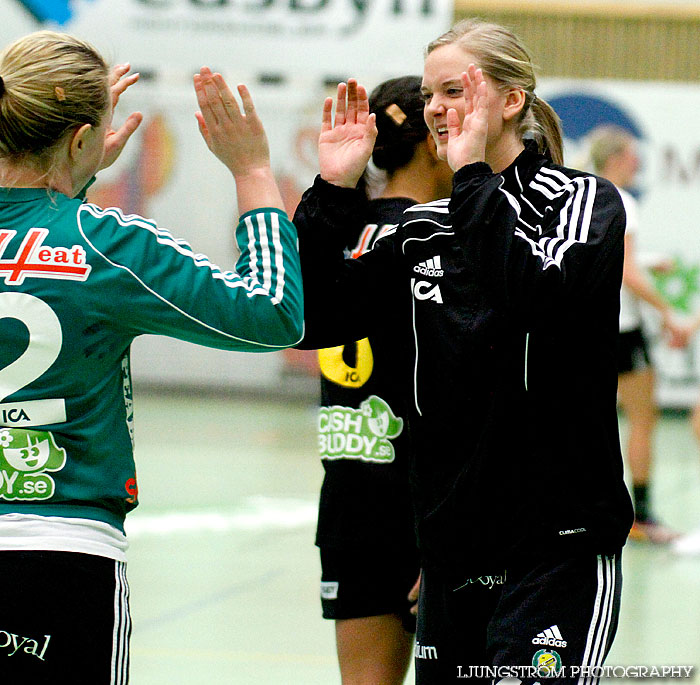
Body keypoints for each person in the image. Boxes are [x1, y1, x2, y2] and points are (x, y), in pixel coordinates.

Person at [280, 18, 634, 684]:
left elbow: (532, 288)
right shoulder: (421, 229)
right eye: (428, 96)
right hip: (454, 552)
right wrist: (331, 193)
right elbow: (303, 319)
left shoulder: (584, 202)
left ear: (511, 102)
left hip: (558, 549)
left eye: (454, 90)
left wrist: (471, 172)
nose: (436, 109)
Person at [0, 31, 302, 682]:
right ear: (82, 141)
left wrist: (65, 182)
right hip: (64, 556)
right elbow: (271, 312)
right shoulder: (106, 246)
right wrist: (252, 171)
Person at [315, 75, 452, 685]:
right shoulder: (439, 238)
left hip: (350, 499)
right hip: (426, 504)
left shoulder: (337, 228)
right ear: (431, 144)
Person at [587, 125, 682, 544]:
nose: (639, 161)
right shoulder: (623, 200)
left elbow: (604, 256)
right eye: (633, 154)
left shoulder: (586, 195)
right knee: (644, 419)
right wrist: (669, 312)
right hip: (622, 331)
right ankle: (640, 515)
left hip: (588, 329)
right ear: (619, 158)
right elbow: (624, 270)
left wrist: (647, 258)